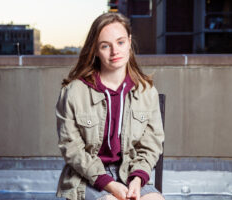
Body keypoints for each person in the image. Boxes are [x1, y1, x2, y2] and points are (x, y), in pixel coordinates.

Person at [55, 12, 165, 200]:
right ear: (96, 50)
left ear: (129, 42)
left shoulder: (147, 92)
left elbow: (151, 146)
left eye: (120, 42)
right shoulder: (73, 92)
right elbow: (71, 148)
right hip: (88, 178)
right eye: (105, 46)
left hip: (131, 174)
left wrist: (137, 180)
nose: (115, 51)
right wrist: (109, 184)